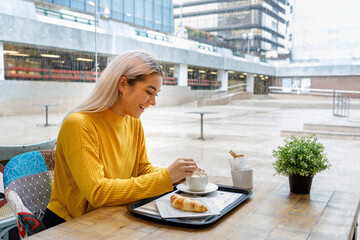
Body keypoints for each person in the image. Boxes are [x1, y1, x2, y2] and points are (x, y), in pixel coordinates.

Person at [43, 50, 199, 228]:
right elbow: (98, 192)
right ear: (123, 84)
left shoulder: (133, 122)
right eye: (149, 92)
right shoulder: (78, 125)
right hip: (70, 223)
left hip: (109, 216)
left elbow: (141, 168)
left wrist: (175, 176)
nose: (153, 102)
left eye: (156, 94)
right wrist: (165, 177)